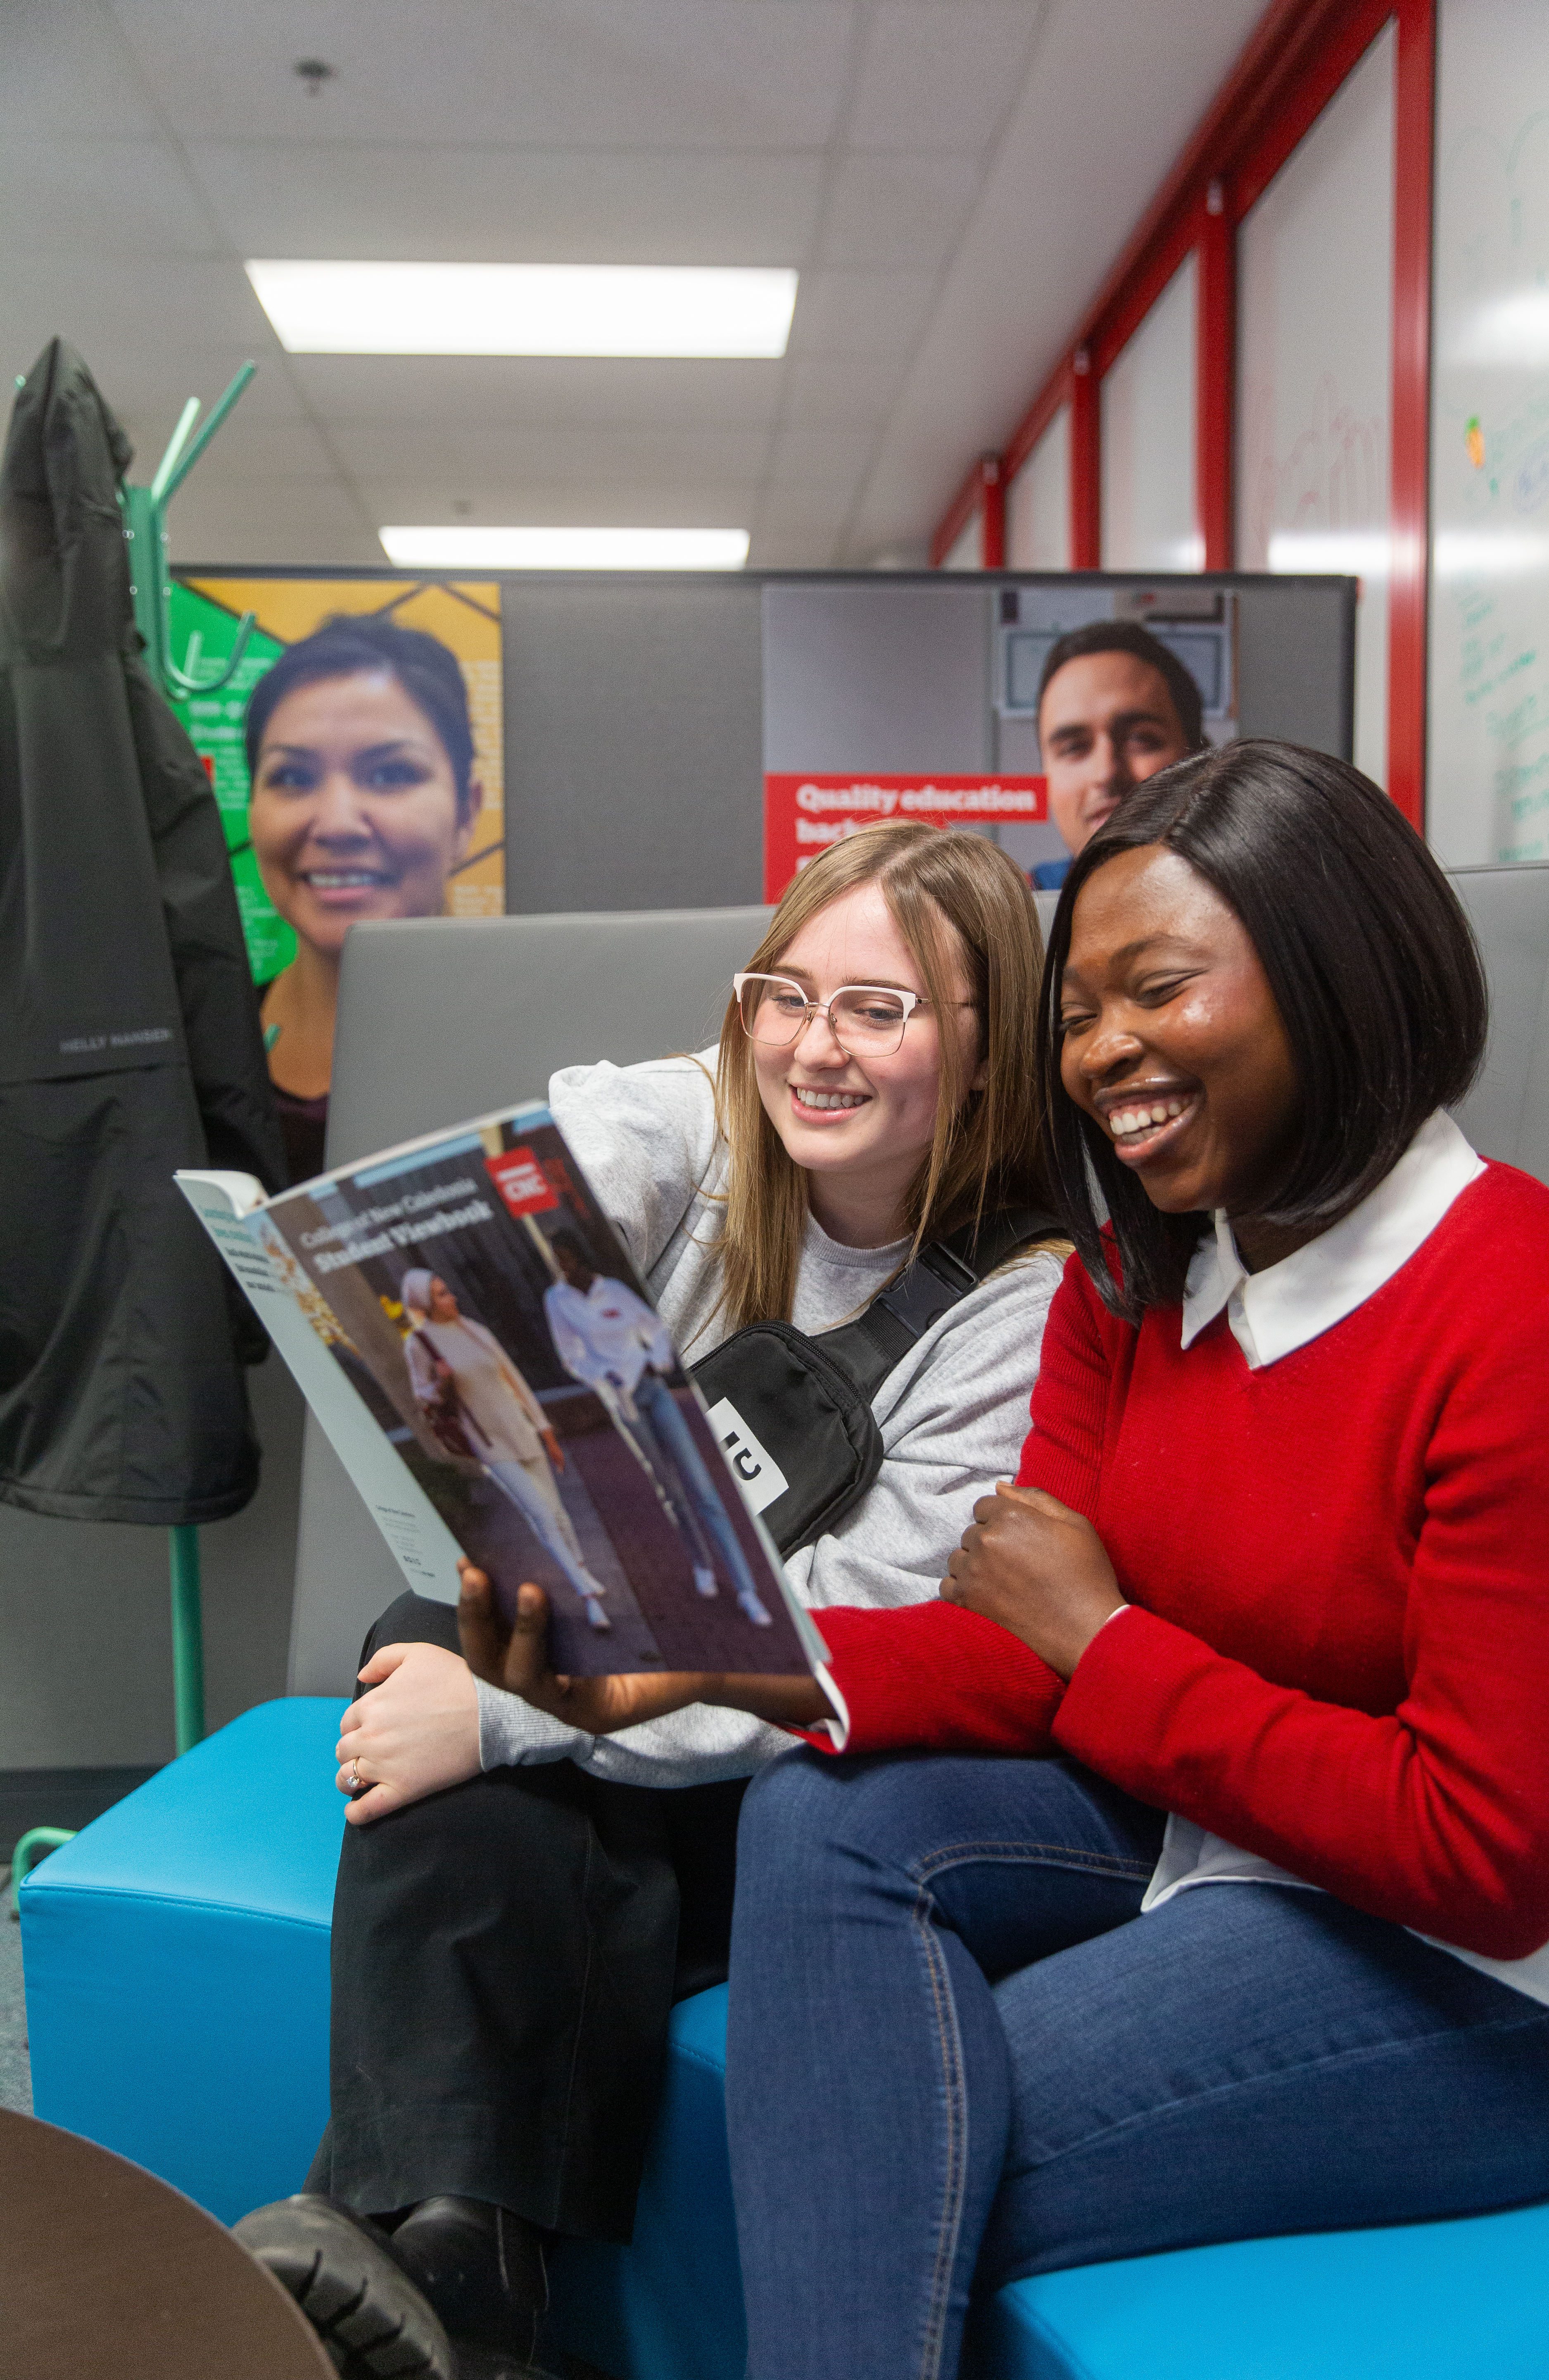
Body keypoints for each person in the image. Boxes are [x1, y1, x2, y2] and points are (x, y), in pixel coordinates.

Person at [486, 742, 1549, 2380]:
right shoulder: (1135, 1286)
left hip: (1477, 1972)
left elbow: (1484, 1855)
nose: (1107, 1052)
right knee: (825, 1811)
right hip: (1209, 1834)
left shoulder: (1530, 1309)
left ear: (1339, 977)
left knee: (875, 2168)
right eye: (1078, 1011)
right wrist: (654, 1663)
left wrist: (1112, 1640)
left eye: (1163, 990)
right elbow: (1010, 1649)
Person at [236, 821, 1068, 2376]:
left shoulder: (1022, 1303)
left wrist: (505, 1722)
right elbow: (560, 1166)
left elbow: (830, 1642)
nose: (812, 1047)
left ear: (985, 1043)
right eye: (783, 991)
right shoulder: (703, 1122)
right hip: (627, 1684)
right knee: (442, 1627)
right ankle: (453, 2267)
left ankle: (440, 2252)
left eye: (877, 1010)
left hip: (799, 1761)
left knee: (475, 1701)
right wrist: (508, 1231)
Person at [247, 617, 485, 1180]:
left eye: (390, 773)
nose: (336, 824)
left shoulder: (558, 1066)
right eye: (293, 778)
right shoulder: (195, 1062)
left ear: (466, 813)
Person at [543, 1230, 774, 1626]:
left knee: (702, 1487)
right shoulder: (558, 1301)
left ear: (579, 1258)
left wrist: (658, 1361)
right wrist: (606, 1375)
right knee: (669, 1489)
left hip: (655, 1392)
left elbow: (654, 1328)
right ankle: (702, 1564)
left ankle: (748, 1590)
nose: (561, 1266)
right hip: (625, 1403)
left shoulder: (612, 1290)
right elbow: (572, 1357)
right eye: (556, 1260)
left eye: (566, 1258)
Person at [399, 1267, 611, 1633]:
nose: (452, 1298)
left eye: (448, 1291)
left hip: (522, 1431)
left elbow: (515, 1380)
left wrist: (545, 1431)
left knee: (559, 1513)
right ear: (424, 1303)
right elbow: (424, 1398)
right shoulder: (420, 1344)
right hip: (489, 1443)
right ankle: (588, 1597)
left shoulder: (477, 1331)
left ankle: (583, 1572)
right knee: (543, 1517)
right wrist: (442, 1381)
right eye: (441, 1295)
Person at [1027, 618, 1202, 890]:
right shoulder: (1019, 914)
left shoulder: (1261, 910)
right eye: (1074, 748)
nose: (1106, 772)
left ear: (1201, 759)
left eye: (1141, 739)